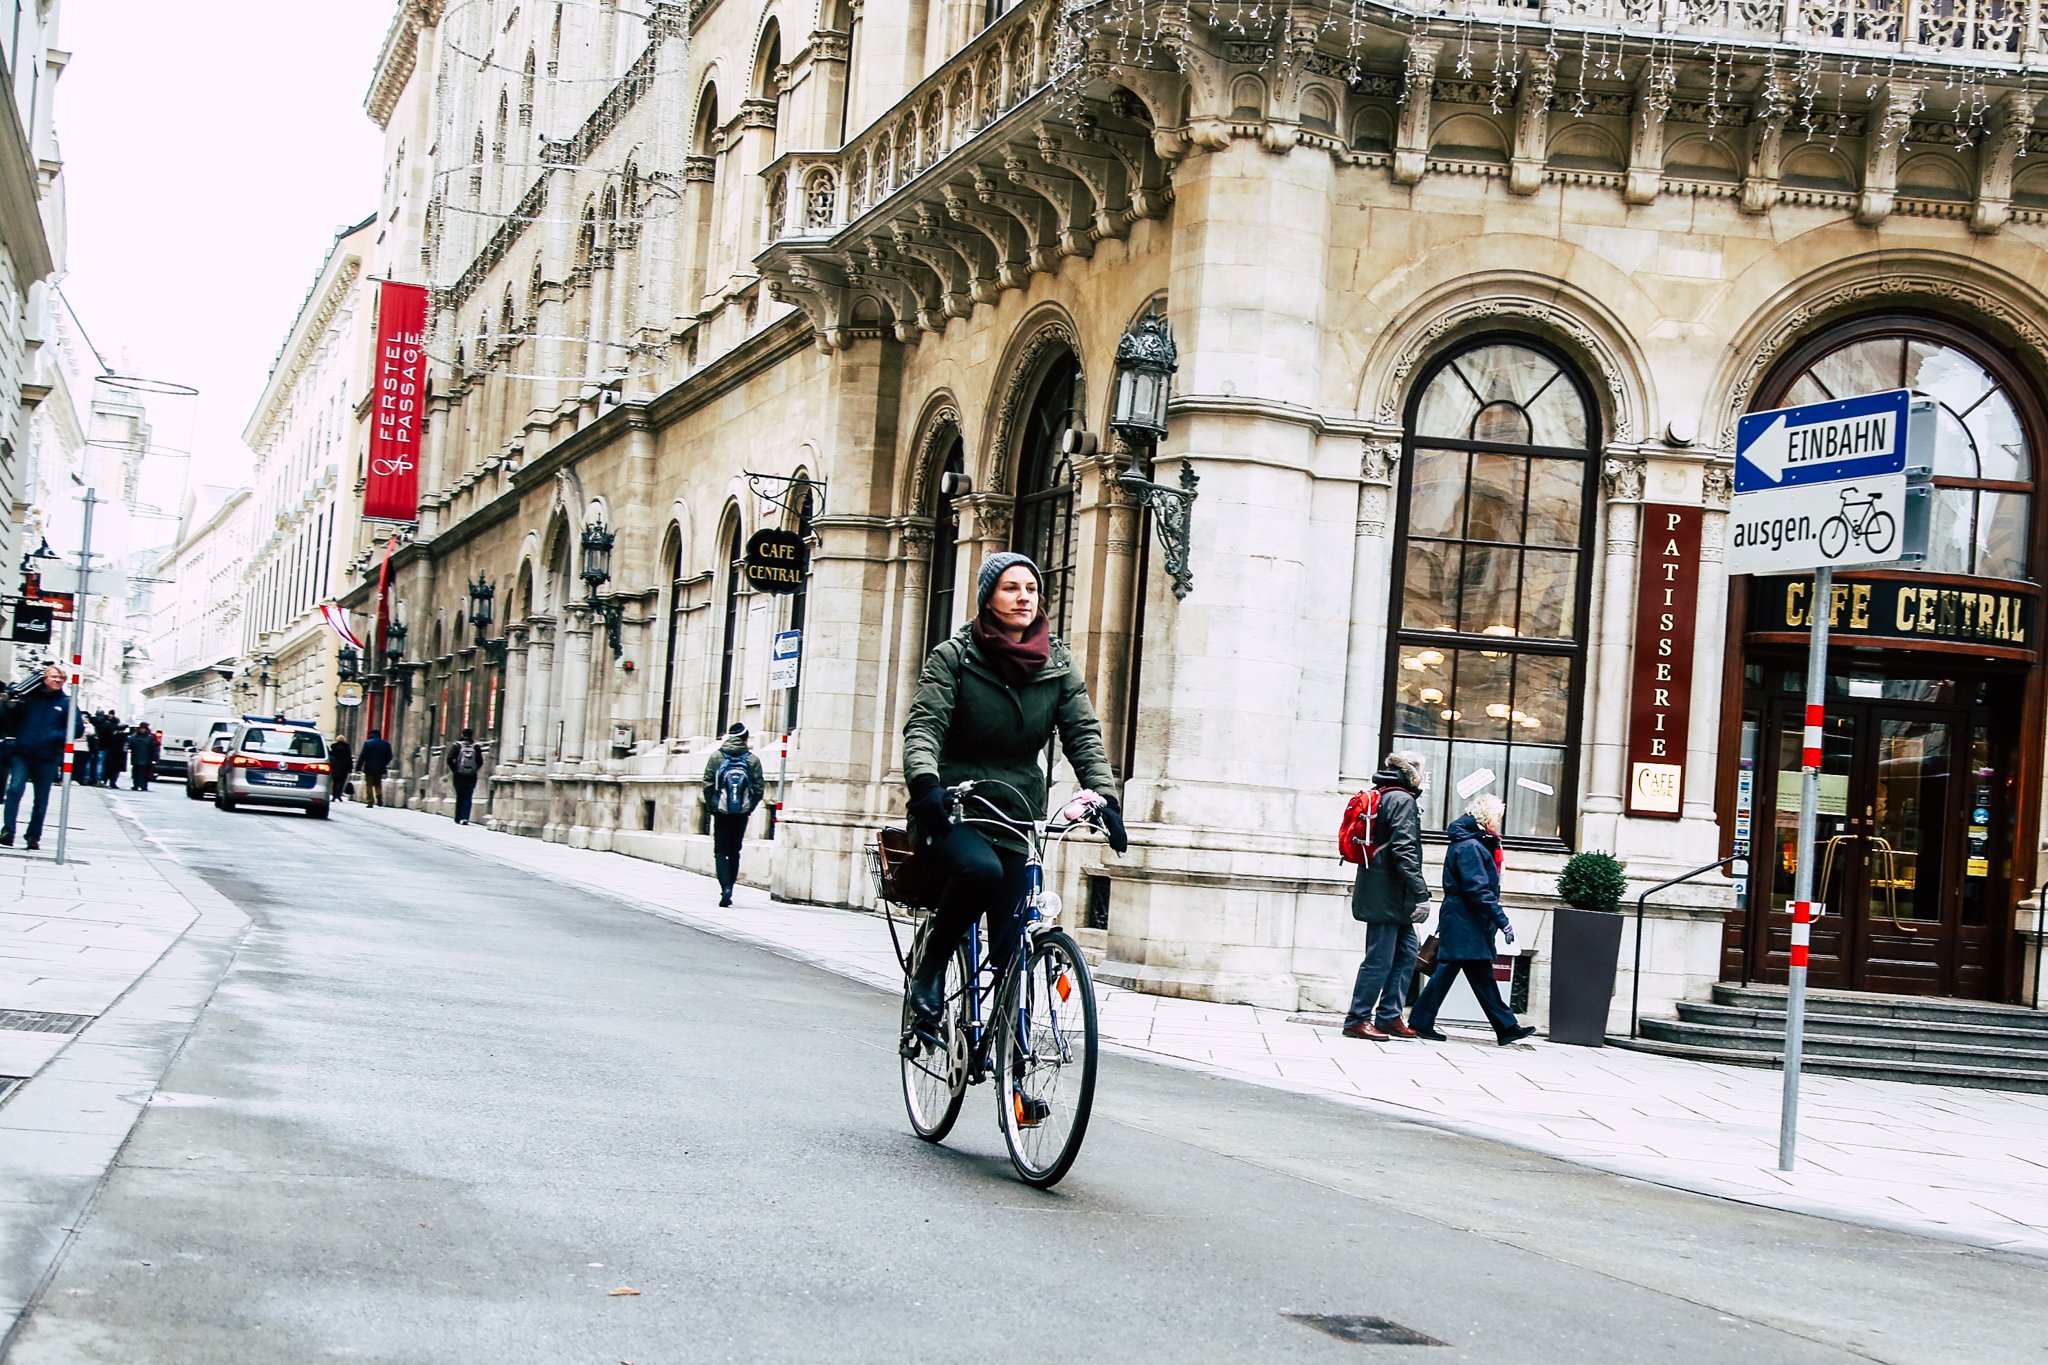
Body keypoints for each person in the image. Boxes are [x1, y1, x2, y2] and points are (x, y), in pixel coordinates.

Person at [900, 552, 1127, 1053]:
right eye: (1010, 588)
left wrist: (1105, 796)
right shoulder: (953, 657)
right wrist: (925, 784)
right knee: (981, 873)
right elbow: (925, 726)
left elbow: (1083, 733)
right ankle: (930, 971)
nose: (1024, 597)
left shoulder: (1058, 662)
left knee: (1013, 942)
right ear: (988, 597)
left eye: (1031, 588)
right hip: (953, 805)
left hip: (1016, 809)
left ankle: (1015, 1063)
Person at [1407, 793, 1537, 1046]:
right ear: (1488, 818)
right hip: (1466, 922)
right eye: (1498, 818)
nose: (1499, 823)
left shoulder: (1472, 843)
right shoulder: (1471, 847)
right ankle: (1504, 1027)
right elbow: (1478, 890)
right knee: (1459, 973)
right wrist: (1503, 921)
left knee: (1475, 975)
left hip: (1465, 921)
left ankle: (1505, 1026)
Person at [1342, 752, 1430, 1041]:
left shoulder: (1386, 794)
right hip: (1389, 894)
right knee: (1379, 958)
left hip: (1390, 893)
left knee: (1406, 953)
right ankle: (1357, 1019)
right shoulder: (1401, 800)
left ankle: (1390, 1016)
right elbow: (1404, 850)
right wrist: (1422, 893)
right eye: (1423, 774)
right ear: (1413, 773)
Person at [1, 664, 80, 849]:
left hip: (48, 756)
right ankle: (8, 831)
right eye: (54, 676)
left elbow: (76, 729)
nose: (58, 680)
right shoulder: (28, 698)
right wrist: (9, 702)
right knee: (14, 790)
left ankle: (33, 835)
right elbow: (7, 718)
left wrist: (54, 736)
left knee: (41, 798)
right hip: (23, 752)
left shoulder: (66, 702)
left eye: (61, 678)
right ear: (44, 678)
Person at [701, 723, 764, 907]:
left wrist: (712, 806)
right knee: (735, 851)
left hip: (721, 811)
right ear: (745, 739)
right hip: (741, 812)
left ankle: (724, 887)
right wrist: (749, 807)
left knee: (720, 851)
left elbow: (707, 784)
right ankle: (731, 887)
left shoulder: (716, 757)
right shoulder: (752, 760)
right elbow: (759, 788)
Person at [445, 727, 484, 825]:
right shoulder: (475, 746)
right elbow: (480, 761)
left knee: (459, 795)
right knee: (468, 795)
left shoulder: (457, 745)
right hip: (471, 775)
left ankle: (458, 817)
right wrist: (474, 770)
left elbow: (449, 759)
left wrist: (455, 769)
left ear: (462, 734)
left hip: (459, 774)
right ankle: (465, 817)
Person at [358, 728, 393, 807]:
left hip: (369, 767)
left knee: (369, 784)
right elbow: (390, 756)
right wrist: (384, 763)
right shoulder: (386, 744)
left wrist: (358, 767)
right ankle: (379, 795)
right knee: (378, 783)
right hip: (380, 767)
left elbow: (362, 756)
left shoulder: (367, 743)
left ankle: (370, 801)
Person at [126, 723, 159, 791]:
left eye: (143, 728)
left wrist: (155, 758)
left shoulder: (149, 737)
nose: (142, 730)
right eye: (141, 728)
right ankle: (136, 785)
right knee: (136, 772)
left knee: (144, 773)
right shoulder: (134, 737)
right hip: (137, 757)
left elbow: (153, 748)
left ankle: (143, 786)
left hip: (145, 758)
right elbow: (130, 745)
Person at [329, 734, 355, 803]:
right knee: (342, 782)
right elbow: (349, 758)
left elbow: (330, 757)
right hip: (344, 767)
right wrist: (351, 768)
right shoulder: (347, 748)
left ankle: (334, 796)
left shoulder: (334, 747)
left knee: (335, 782)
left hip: (335, 767)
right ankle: (339, 795)